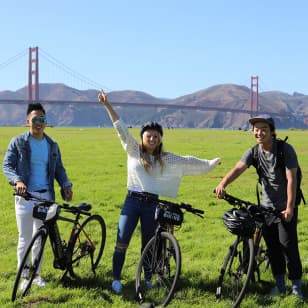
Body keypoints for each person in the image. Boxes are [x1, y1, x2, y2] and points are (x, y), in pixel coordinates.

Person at [98, 90, 221, 294]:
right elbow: (120, 128)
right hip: (132, 201)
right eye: (149, 136)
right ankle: (116, 279)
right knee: (122, 242)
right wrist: (107, 105)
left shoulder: (166, 158)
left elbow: (188, 161)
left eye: (156, 136)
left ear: (160, 138)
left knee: (150, 244)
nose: (152, 139)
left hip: (152, 205)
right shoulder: (133, 149)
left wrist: (210, 164)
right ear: (142, 138)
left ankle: (147, 278)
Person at [215, 114, 303, 300]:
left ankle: (296, 286)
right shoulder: (254, 152)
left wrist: (289, 207)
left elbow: (291, 179)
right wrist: (223, 184)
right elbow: (238, 168)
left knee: (288, 246)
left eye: (264, 128)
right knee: (273, 248)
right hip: (266, 207)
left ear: (272, 131)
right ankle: (279, 285)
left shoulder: (285, 150)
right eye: (256, 129)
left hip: (285, 207)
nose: (259, 132)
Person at [3, 103, 73, 289]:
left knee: (40, 238)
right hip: (25, 197)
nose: (39, 122)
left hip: (46, 198)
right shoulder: (18, 142)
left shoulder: (52, 145)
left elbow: (59, 169)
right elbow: (7, 166)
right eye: (35, 119)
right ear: (27, 122)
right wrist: (17, 181)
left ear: (46, 122)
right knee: (25, 238)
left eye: (42, 119)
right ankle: (24, 276)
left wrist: (66, 185)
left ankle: (36, 274)